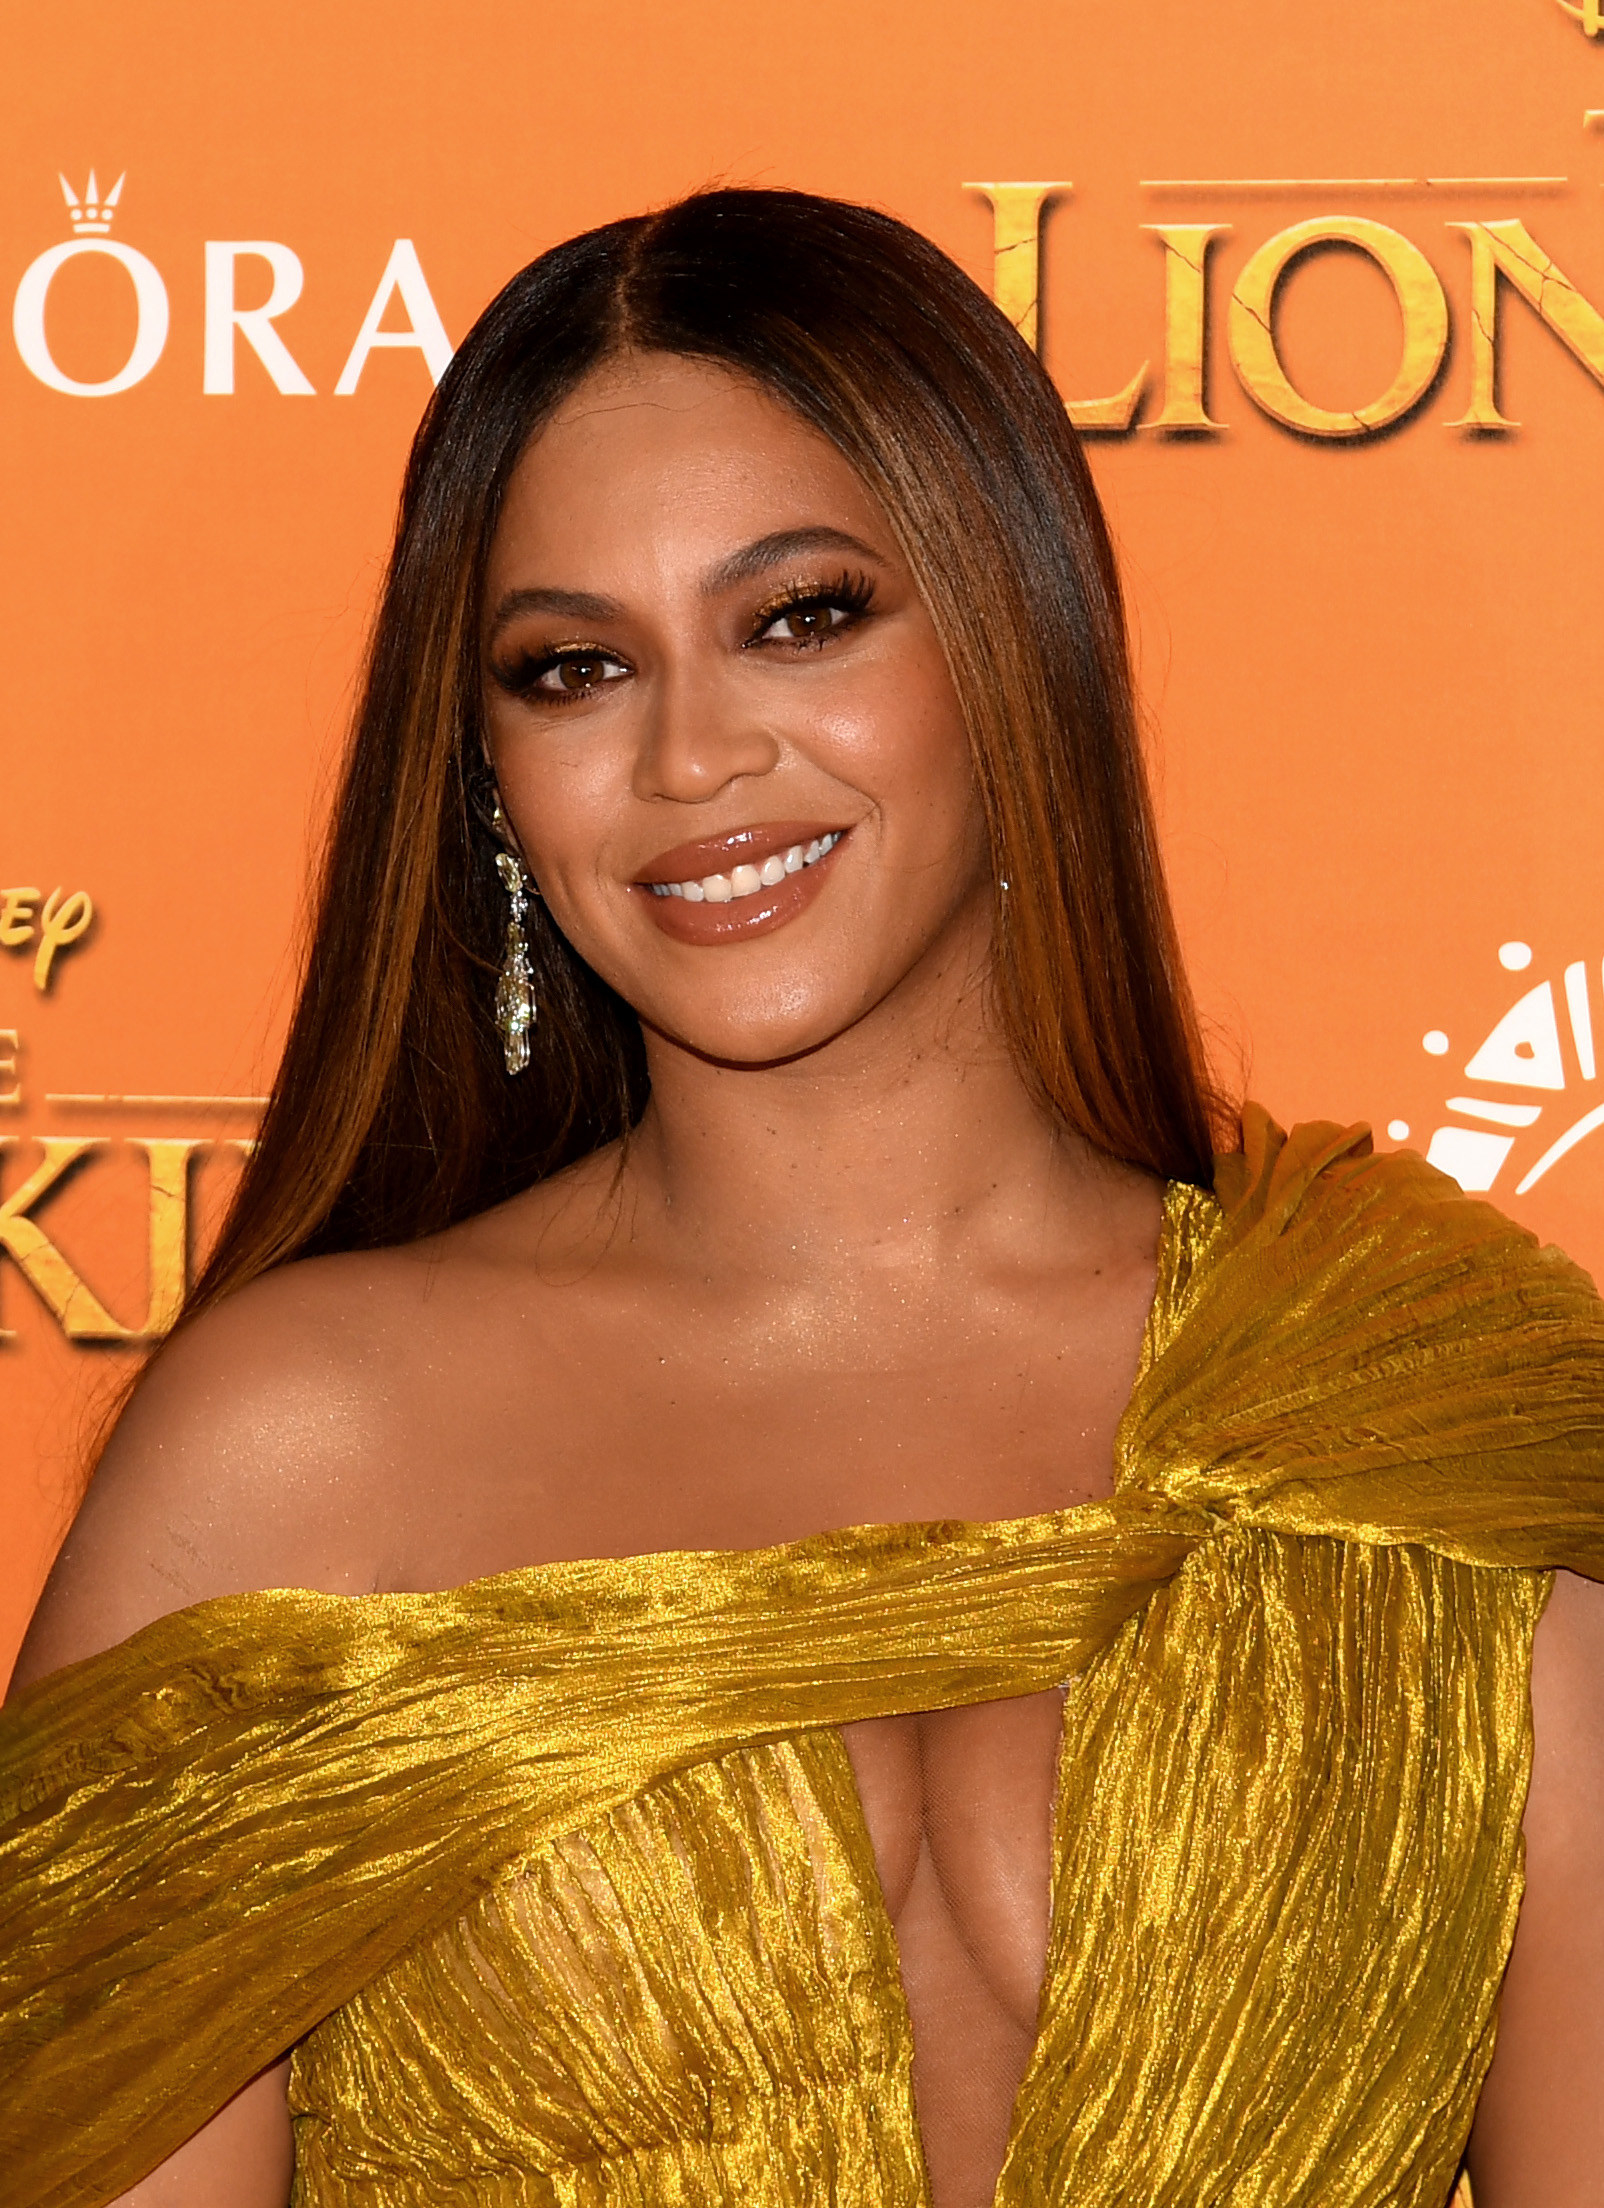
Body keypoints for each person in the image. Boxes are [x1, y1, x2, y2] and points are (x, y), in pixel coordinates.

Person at [3, 187, 1603, 2208]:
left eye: (803, 617)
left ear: (1009, 641)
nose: (690, 754)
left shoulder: (1422, 1415)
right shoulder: (297, 1449)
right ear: (490, 775)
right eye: (572, 670)